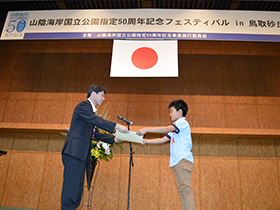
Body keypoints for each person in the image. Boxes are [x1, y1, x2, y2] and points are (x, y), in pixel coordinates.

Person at [61, 84, 128, 210]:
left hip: (80, 154)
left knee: (77, 187)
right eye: (102, 95)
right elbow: (95, 120)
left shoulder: (90, 112)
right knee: (71, 186)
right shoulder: (83, 106)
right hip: (74, 152)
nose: (104, 99)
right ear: (93, 94)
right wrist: (116, 126)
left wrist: (114, 138)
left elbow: (95, 133)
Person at [136, 99, 194, 210]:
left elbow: (166, 128)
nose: (170, 114)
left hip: (183, 160)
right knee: (182, 191)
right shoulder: (176, 128)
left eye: (172, 111)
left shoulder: (182, 122)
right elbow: (163, 139)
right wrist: (147, 141)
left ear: (180, 112)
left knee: (186, 191)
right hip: (177, 162)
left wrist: (146, 129)